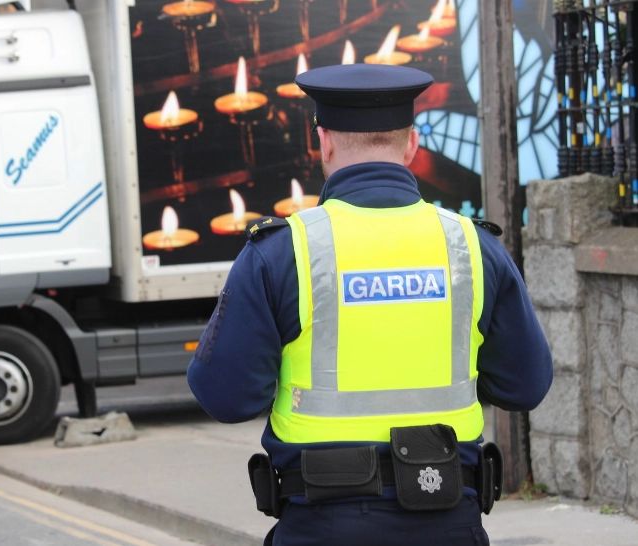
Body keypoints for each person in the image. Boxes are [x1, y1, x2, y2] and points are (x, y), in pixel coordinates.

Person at [186, 64, 554, 546]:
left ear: (325, 143)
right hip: (446, 518)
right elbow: (526, 386)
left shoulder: (281, 253)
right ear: (412, 145)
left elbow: (225, 397)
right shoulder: (471, 248)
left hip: (322, 526)